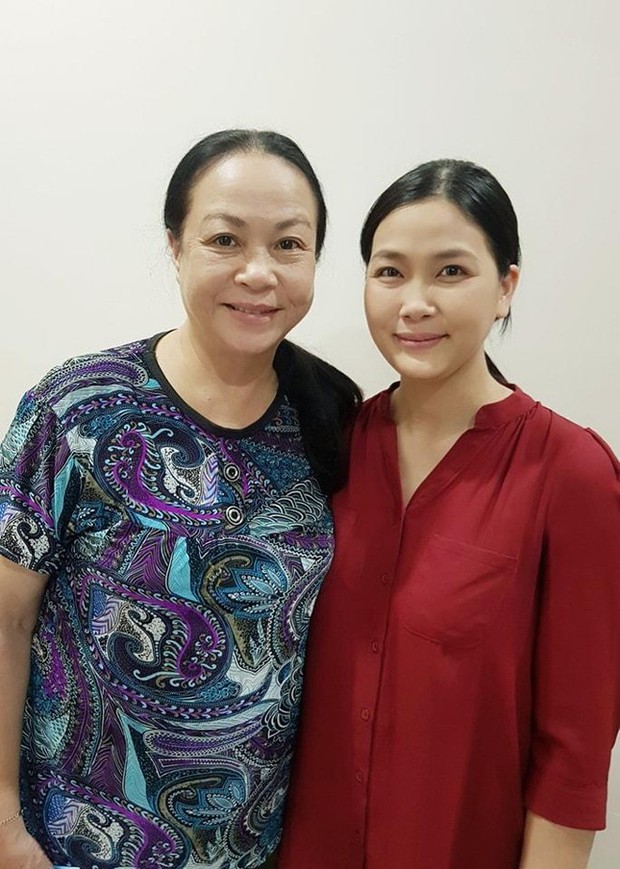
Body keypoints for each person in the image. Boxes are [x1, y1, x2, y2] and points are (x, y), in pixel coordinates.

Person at [0, 129, 361, 869]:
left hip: (252, 852)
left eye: (289, 245)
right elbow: (5, 620)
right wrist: (3, 824)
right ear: (175, 246)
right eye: (225, 239)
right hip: (73, 846)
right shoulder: (79, 408)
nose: (258, 272)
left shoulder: (330, 415)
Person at [279, 159, 620, 869]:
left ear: (506, 287)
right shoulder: (332, 443)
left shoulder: (569, 471)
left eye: (451, 272)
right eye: (390, 272)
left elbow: (577, 750)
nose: (415, 302)